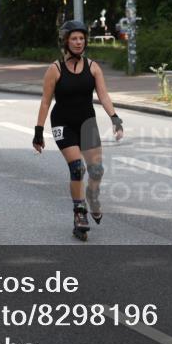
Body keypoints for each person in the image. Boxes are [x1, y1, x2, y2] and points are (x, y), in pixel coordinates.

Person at [33, 20, 124, 241]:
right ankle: (79, 213)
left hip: (86, 123)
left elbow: (103, 96)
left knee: (97, 171)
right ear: (66, 41)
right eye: (73, 38)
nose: (78, 42)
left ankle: (92, 196)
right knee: (77, 168)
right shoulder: (54, 69)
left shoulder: (93, 67)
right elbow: (46, 102)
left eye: (81, 38)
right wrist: (38, 131)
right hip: (62, 123)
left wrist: (115, 118)